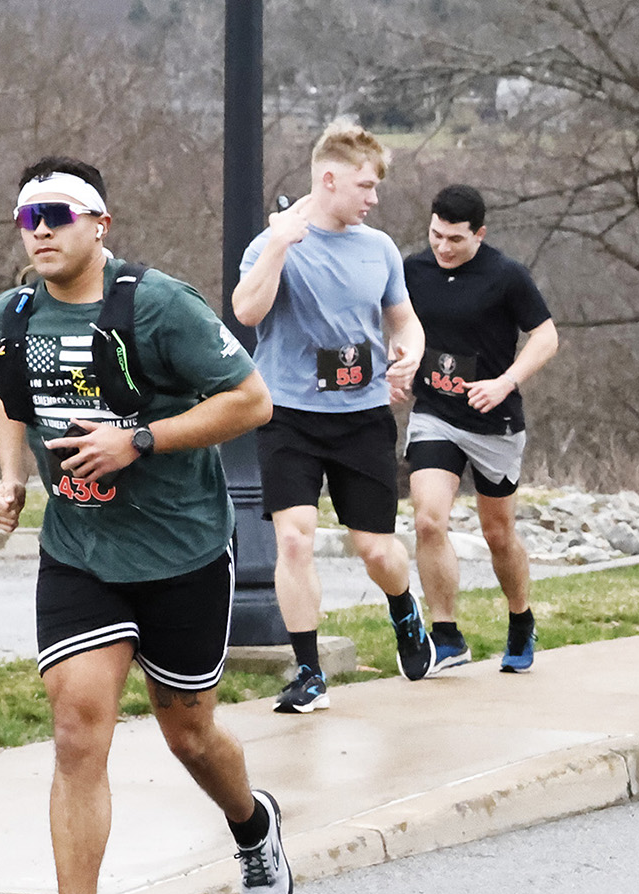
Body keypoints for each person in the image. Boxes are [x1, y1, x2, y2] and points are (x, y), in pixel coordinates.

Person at [0, 158, 293, 894]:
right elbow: (14, 398)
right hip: (81, 549)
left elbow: (252, 401)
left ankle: (252, 824)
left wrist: (140, 440)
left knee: (189, 735)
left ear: (100, 223)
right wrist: (12, 478)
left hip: (182, 550)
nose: (41, 231)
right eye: (27, 217)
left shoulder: (158, 305)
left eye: (57, 213)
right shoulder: (15, 313)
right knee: (77, 729)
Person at [233, 119, 431, 709]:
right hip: (288, 413)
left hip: (362, 415)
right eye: (366, 186)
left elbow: (404, 321)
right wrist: (278, 245)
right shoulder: (273, 243)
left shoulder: (380, 248)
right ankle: (309, 672)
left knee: (376, 550)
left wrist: (409, 353)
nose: (374, 199)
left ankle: (404, 609)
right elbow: (246, 312)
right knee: (294, 541)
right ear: (329, 179)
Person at [401, 185, 559, 673]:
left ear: (480, 234)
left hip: (493, 420)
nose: (443, 247)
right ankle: (446, 635)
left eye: (455, 239)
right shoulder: (412, 270)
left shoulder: (506, 275)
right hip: (435, 412)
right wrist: (397, 364)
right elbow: (397, 324)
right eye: (436, 235)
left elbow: (547, 336)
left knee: (497, 532)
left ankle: (520, 617)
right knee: (428, 521)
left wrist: (505, 381)